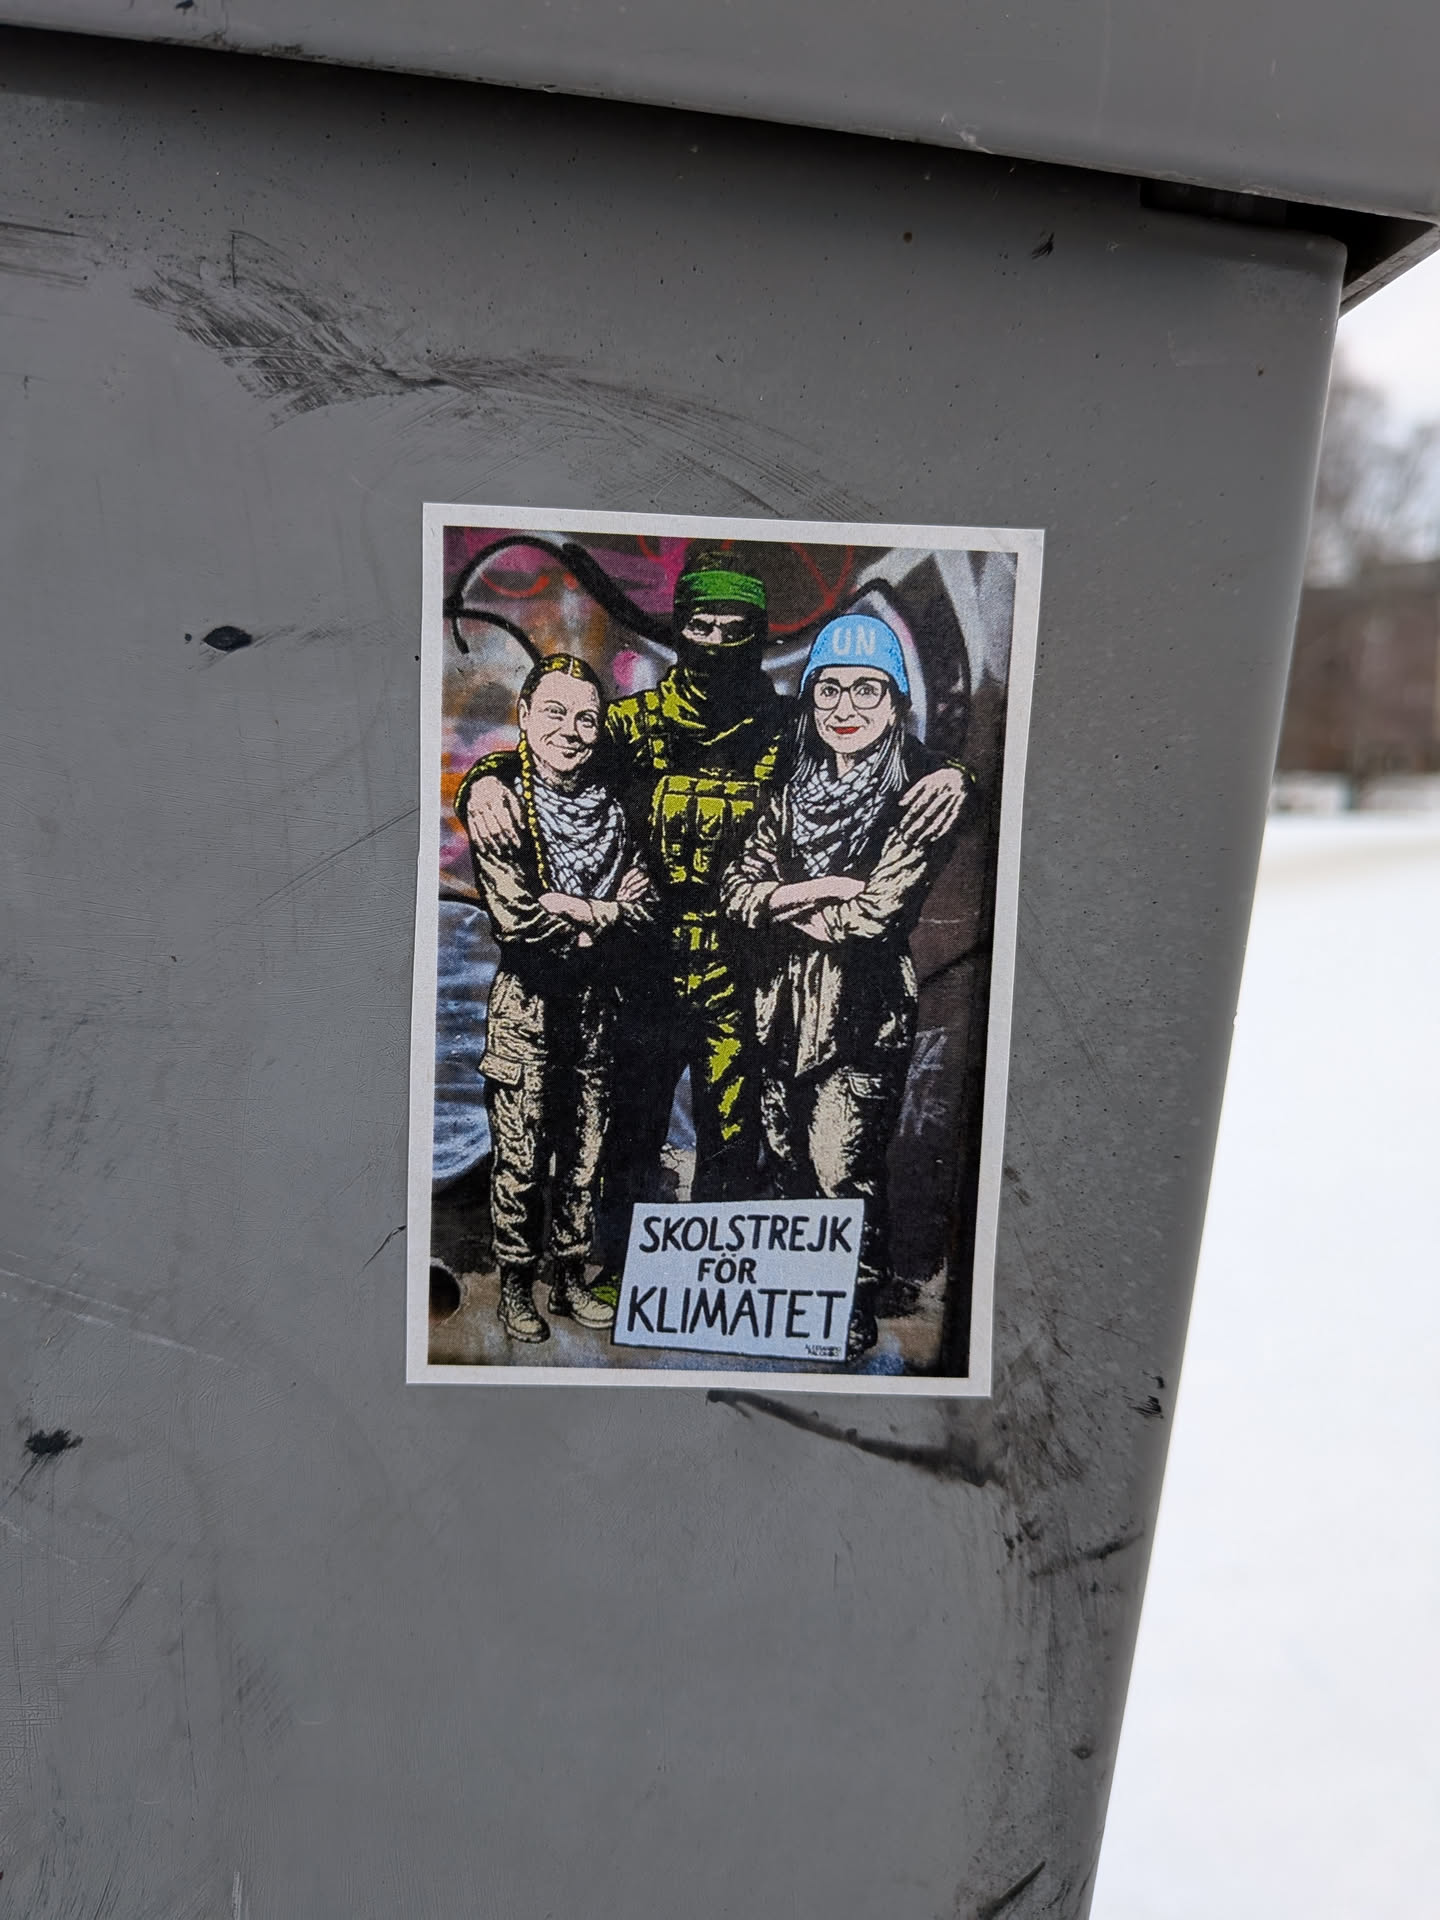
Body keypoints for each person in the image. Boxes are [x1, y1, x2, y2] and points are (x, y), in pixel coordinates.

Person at [461, 548, 972, 1290]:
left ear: (760, 635)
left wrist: (956, 776)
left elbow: (890, 754)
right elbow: (551, 756)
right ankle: (623, 1271)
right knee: (631, 1126)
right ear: (681, 628)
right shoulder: (633, 726)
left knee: (733, 1135)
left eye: (736, 628)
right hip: (644, 966)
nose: (717, 641)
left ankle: (708, 1283)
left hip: (744, 970)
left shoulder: (791, 727)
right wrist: (485, 780)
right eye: (702, 625)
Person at [721, 615, 970, 1361]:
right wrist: (823, 889)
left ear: (895, 703)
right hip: (777, 1012)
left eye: (867, 690)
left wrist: (780, 902)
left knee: (840, 1173)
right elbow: (736, 892)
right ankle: (797, 1304)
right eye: (829, 689)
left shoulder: (920, 797)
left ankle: (848, 1312)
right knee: (785, 1164)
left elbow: (872, 916)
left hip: (860, 1016)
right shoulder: (790, 794)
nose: (846, 707)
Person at [456, 654, 653, 1344]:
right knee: (520, 1161)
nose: (571, 730)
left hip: (596, 1015)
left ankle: (569, 1280)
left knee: (584, 1156)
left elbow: (645, 909)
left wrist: (586, 911)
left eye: (587, 718)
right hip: (527, 1010)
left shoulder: (617, 811)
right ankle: (516, 1288)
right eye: (555, 713)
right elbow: (518, 920)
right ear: (524, 717)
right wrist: (603, 922)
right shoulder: (502, 807)